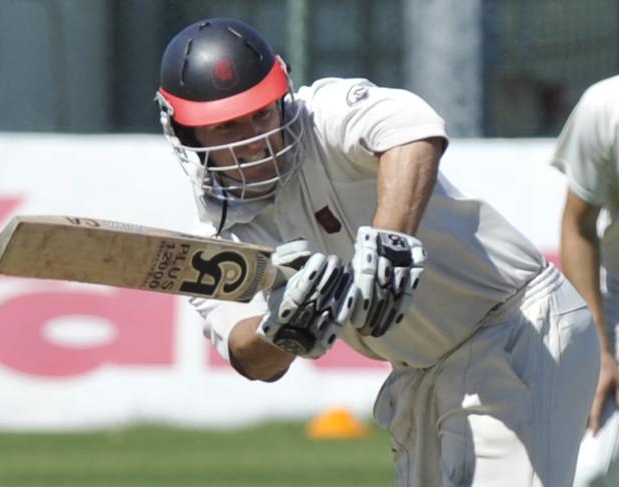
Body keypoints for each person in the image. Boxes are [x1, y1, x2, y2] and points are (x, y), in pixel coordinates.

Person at [155, 17, 599, 486]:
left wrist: (389, 244)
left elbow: (413, 130)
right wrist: (279, 333)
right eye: (227, 128)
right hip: (420, 375)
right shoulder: (214, 237)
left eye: (262, 114)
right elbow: (245, 354)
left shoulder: (322, 113)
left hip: (516, 330)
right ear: (185, 133)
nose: (256, 140)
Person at [551, 75, 619, 487]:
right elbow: (578, 226)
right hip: (617, 300)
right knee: (590, 471)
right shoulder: (606, 105)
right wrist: (597, 353)